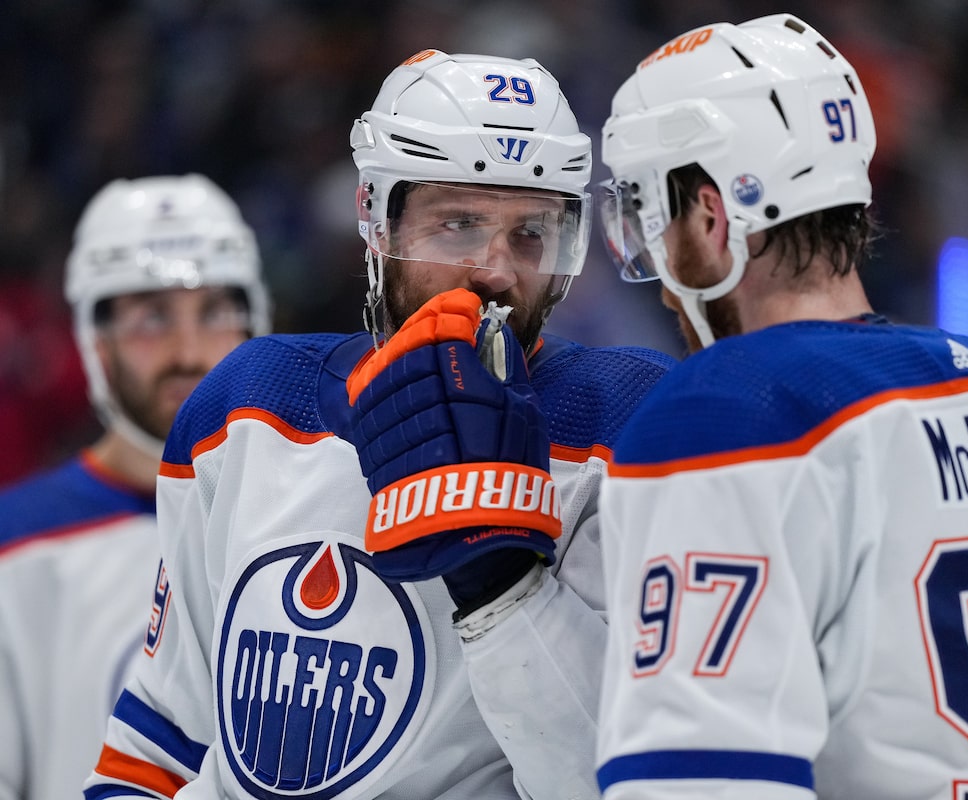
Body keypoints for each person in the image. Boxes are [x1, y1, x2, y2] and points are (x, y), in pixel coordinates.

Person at [85, 51, 675, 800]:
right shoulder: (246, 405)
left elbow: (624, 780)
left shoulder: (626, 424)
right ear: (376, 217)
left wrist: (501, 587)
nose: (495, 269)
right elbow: (159, 738)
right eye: (457, 224)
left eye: (531, 233)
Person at [593, 13, 968, 800]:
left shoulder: (721, 412)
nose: (648, 256)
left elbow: (697, 780)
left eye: (649, 216)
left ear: (713, 218)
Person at [0, 174, 271, 800]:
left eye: (216, 311)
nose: (189, 350)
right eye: (151, 316)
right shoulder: (14, 548)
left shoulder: (311, 520)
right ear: (96, 340)